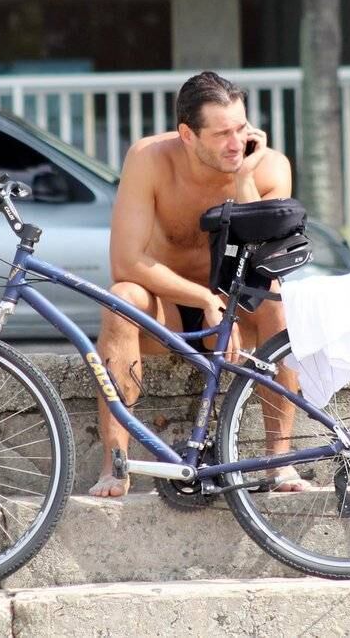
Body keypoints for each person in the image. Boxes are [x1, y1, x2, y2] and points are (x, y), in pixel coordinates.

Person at [89, 70, 306, 497]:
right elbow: (126, 261)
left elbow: (265, 264)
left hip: (234, 322)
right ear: (187, 134)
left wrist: (244, 180)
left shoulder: (270, 169)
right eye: (222, 133)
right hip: (168, 312)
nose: (235, 142)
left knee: (277, 299)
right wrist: (204, 297)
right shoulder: (150, 159)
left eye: (241, 128)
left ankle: (279, 464)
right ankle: (115, 467)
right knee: (121, 299)